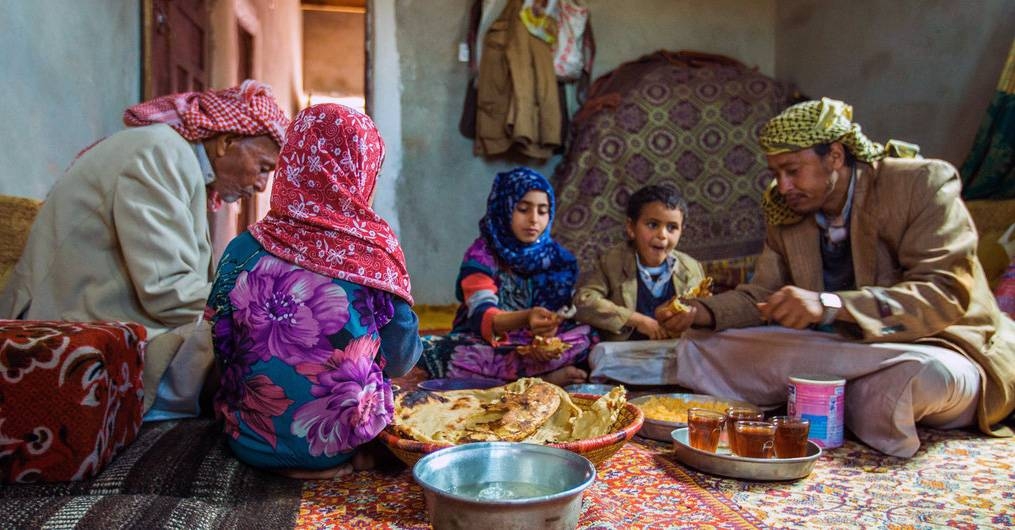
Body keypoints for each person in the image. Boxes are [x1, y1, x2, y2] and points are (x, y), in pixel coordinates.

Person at [656, 97, 1015, 457]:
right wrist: (700, 313)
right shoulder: (787, 210)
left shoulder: (920, 183)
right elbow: (763, 295)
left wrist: (830, 305)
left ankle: (821, 398)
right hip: (841, 351)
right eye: (775, 173)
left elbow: (943, 291)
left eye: (792, 170)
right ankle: (838, 401)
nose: (783, 186)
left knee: (923, 376)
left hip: (937, 345)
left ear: (836, 156)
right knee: (707, 344)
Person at [0, 80, 290, 418]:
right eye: (263, 167)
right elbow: (166, 290)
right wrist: (257, 309)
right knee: (260, 353)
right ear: (227, 142)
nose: (260, 185)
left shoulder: (173, 156)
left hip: (103, 315)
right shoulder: (160, 153)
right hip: (71, 328)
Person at [205, 103, 422, 479]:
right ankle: (348, 461)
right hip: (341, 445)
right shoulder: (375, 255)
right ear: (362, 173)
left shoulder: (243, 247)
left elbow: (220, 342)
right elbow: (401, 359)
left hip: (250, 443)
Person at [417, 167, 595, 387]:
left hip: (538, 348)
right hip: (493, 342)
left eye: (542, 211)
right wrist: (526, 318)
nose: (533, 220)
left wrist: (547, 340)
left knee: (589, 337)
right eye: (523, 209)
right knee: (440, 351)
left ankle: (518, 380)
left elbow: (561, 314)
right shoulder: (482, 255)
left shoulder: (559, 259)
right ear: (504, 208)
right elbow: (482, 312)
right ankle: (541, 380)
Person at [573, 184, 707, 384]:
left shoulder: (691, 268)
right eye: (653, 225)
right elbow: (584, 301)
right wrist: (636, 320)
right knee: (602, 354)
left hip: (671, 351)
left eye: (672, 227)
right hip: (628, 352)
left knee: (705, 354)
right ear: (631, 228)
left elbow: (703, 309)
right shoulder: (613, 261)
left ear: (682, 231)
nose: (662, 235)